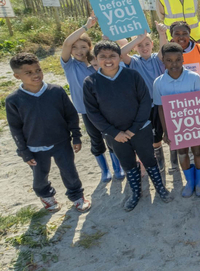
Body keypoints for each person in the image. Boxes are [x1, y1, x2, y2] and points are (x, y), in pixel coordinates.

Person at [83, 41, 173, 211]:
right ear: (96, 58)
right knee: (128, 164)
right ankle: (136, 193)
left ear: (120, 57)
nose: (108, 60)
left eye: (112, 56)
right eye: (103, 56)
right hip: (115, 135)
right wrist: (113, 132)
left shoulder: (132, 75)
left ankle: (161, 188)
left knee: (149, 160)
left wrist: (133, 128)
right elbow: (92, 112)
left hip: (140, 129)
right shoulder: (90, 82)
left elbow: (145, 102)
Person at [6, 53, 91, 213]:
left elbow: (71, 115)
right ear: (17, 76)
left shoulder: (56, 91)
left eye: (37, 70)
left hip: (61, 142)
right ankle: (46, 196)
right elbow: (15, 128)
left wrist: (76, 136)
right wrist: (24, 151)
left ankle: (77, 197)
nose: (36, 74)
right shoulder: (14, 100)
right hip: (34, 147)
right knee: (40, 175)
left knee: (69, 171)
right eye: (28, 72)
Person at [61, 15, 124, 182]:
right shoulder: (69, 65)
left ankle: (117, 167)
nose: (79, 51)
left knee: (110, 138)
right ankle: (104, 170)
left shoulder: (97, 65)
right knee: (96, 141)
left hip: (104, 109)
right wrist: (86, 27)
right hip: (85, 110)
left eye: (83, 47)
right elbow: (66, 43)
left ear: (89, 47)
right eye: (75, 48)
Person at [152, 42, 200, 198]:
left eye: (177, 59)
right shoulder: (159, 83)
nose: (174, 64)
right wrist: (166, 130)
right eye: (169, 60)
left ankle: (199, 181)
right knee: (182, 153)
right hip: (175, 127)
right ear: (163, 61)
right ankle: (189, 182)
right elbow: (161, 108)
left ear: (183, 60)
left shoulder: (194, 78)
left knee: (197, 151)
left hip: (194, 124)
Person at [120, 28, 168, 176]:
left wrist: (161, 34)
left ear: (152, 44)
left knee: (168, 131)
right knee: (152, 136)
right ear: (135, 47)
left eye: (147, 44)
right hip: (145, 105)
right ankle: (159, 159)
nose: (144, 48)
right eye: (140, 45)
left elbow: (164, 50)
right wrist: (138, 38)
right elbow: (121, 53)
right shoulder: (134, 61)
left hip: (161, 103)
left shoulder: (157, 59)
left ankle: (174, 159)